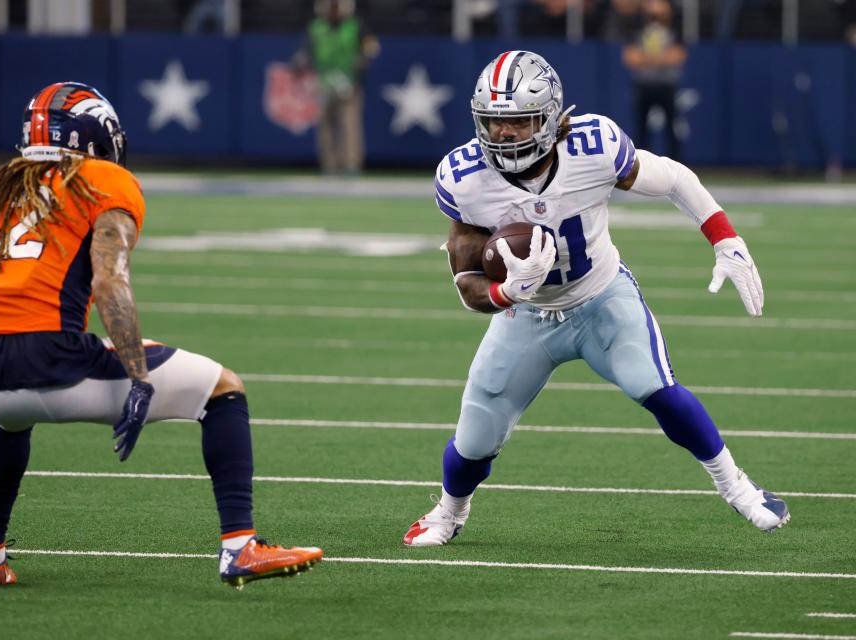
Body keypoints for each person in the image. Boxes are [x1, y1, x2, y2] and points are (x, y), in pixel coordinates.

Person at [0, 81, 323, 588]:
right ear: (95, 135)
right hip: (53, 363)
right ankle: (240, 548)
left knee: (11, 422)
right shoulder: (104, 180)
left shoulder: (2, 190)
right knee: (223, 388)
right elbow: (110, 284)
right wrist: (138, 377)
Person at [404, 51, 787, 547]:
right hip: (528, 314)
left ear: (549, 116)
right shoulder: (465, 178)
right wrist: (506, 291)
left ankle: (738, 487)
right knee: (475, 436)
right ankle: (449, 512)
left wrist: (724, 238)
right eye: (495, 122)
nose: (503, 134)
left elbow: (672, 177)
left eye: (518, 121)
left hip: (602, 296)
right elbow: (466, 281)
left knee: (657, 388)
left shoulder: (594, 145)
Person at [293, 0, 379, 175]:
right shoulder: (316, 26)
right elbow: (306, 50)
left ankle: (351, 165)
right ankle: (330, 165)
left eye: (336, 5)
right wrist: (301, 61)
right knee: (325, 126)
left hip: (349, 82)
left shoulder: (355, 25)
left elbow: (372, 46)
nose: (333, 9)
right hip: (324, 82)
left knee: (350, 124)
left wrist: (364, 59)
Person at [622, 0, 686, 160]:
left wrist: (646, 59)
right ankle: (641, 164)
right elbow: (630, 57)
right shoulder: (637, 30)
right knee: (641, 129)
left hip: (666, 86)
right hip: (644, 86)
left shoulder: (675, 30)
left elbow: (677, 56)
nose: (655, 13)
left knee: (671, 129)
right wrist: (660, 58)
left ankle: (676, 163)